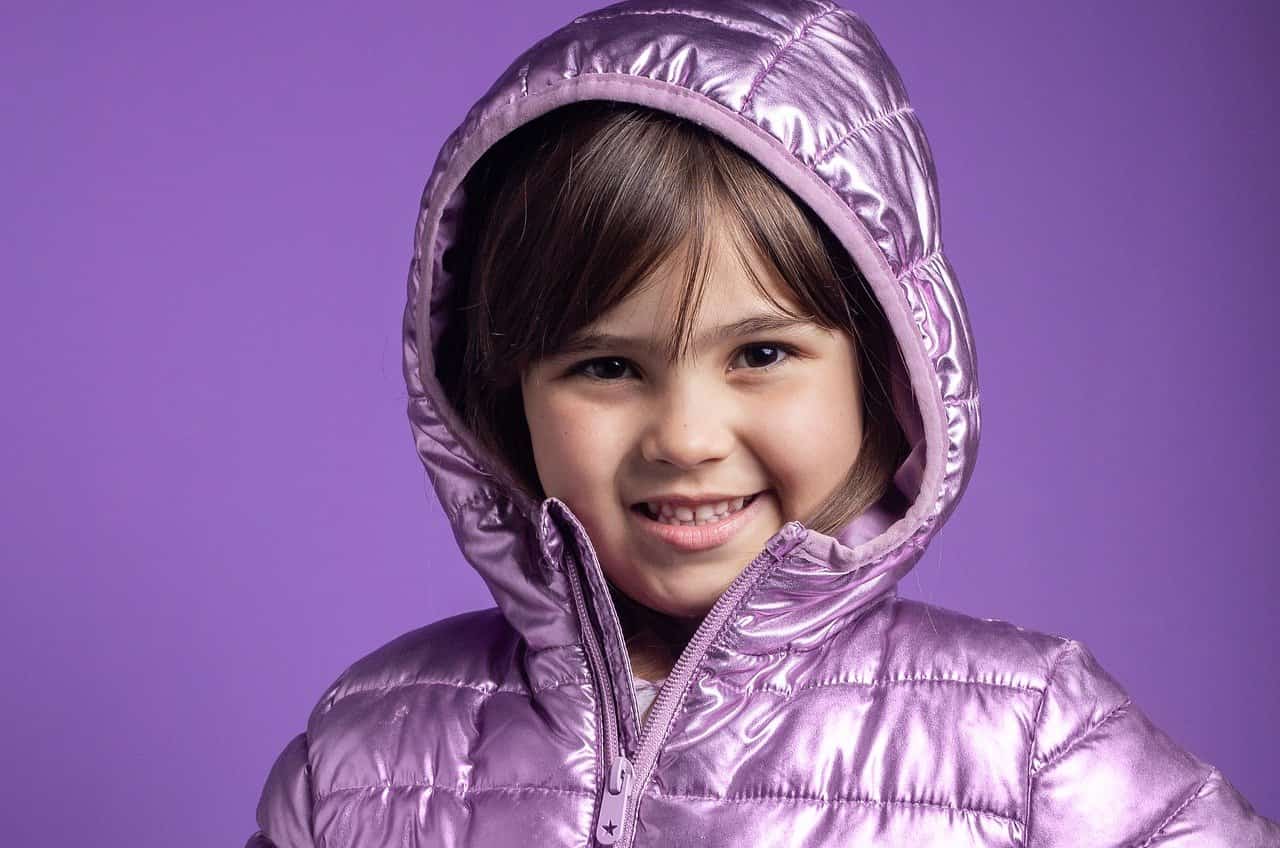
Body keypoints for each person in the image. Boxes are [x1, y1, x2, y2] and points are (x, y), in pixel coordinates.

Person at [246, 2, 1279, 846]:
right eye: (606, 366)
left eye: (760, 353)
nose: (686, 437)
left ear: (881, 365)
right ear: (502, 389)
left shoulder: (1030, 743)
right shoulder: (361, 758)